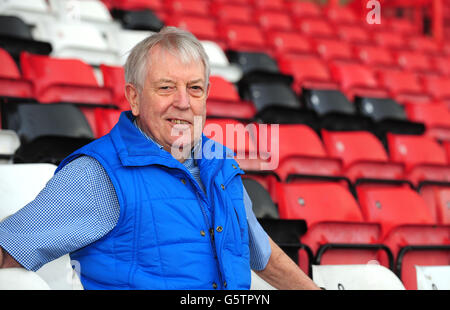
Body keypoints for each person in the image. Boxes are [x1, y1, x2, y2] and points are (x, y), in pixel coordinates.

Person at [0, 27, 319, 290]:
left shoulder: (220, 164)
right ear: (134, 97)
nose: (183, 103)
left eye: (194, 88)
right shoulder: (97, 174)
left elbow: (259, 252)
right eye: (166, 88)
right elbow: (10, 248)